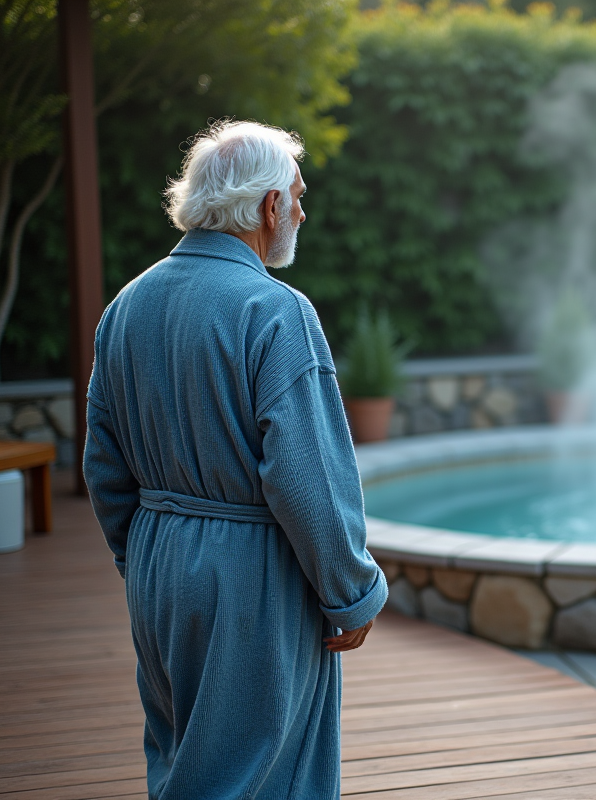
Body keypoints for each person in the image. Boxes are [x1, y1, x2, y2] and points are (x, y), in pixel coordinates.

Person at [83, 120, 388, 799]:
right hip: (251, 576)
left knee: (184, 763)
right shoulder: (277, 312)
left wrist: (145, 560)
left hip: (159, 563)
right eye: (298, 196)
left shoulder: (124, 308)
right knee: (265, 778)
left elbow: (103, 467)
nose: (303, 212)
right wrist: (353, 594)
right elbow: (308, 482)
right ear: (268, 206)